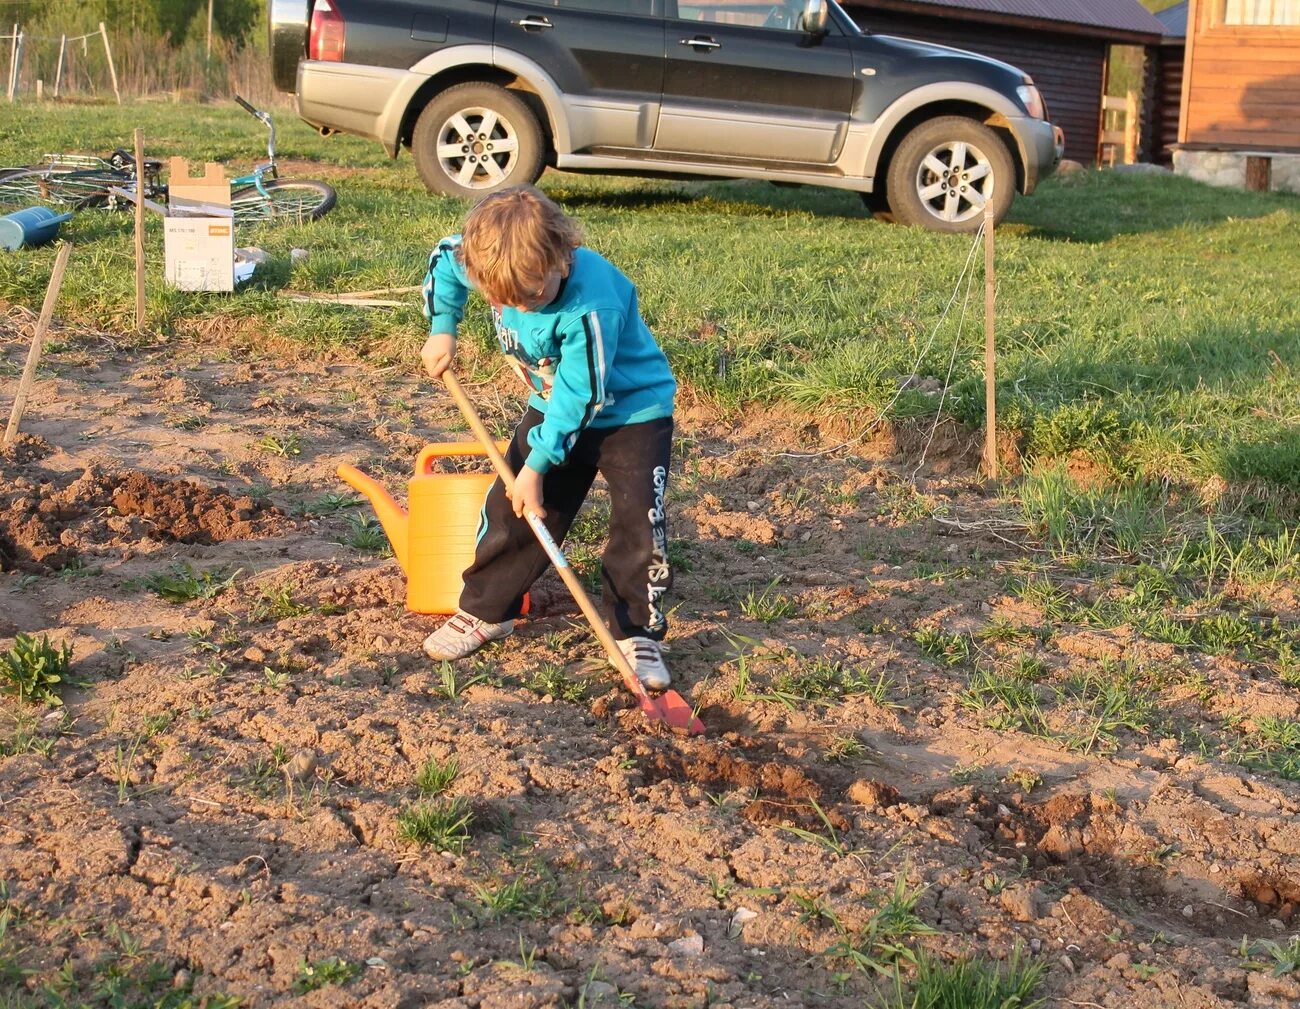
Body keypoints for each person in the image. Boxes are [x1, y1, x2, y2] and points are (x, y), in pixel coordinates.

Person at [418, 185, 677, 689]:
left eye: (532, 295)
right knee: (512, 511)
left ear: (563, 255)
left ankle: (636, 632)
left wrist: (536, 468)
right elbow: (443, 261)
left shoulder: (592, 307)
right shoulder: (484, 262)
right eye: (503, 299)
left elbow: (582, 395)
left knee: (639, 524)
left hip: (629, 413)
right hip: (550, 406)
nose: (521, 307)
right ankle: (487, 610)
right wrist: (443, 327)